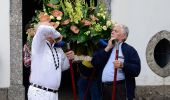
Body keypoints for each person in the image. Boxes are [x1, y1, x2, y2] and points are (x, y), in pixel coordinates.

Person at [91, 24, 141, 100]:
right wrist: (107, 48)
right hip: (103, 88)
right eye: (112, 30)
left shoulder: (129, 50)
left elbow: (136, 70)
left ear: (124, 36)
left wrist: (123, 65)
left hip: (120, 89)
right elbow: (94, 63)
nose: (112, 32)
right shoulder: (105, 47)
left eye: (116, 31)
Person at [27, 22, 74, 100]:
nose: (53, 29)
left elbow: (63, 67)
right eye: (51, 28)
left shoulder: (58, 49)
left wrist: (70, 58)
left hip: (54, 94)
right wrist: (58, 35)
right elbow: (42, 28)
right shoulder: (38, 44)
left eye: (53, 28)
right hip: (39, 93)